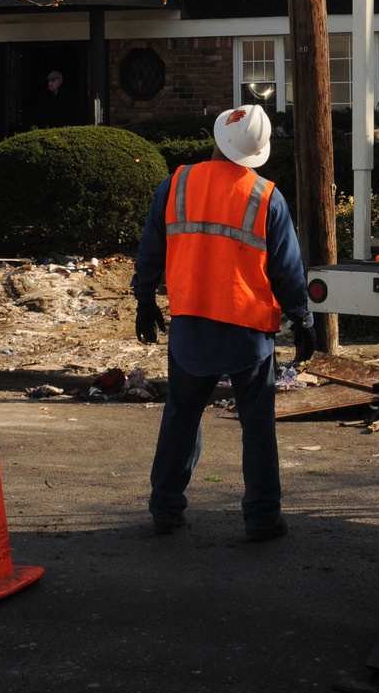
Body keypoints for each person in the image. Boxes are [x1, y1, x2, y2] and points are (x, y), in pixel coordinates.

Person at [132, 103, 315, 542]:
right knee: (256, 426)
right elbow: (287, 270)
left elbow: (151, 251)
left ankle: (165, 510)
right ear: (257, 152)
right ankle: (262, 518)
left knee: (181, 416)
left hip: (192, 322)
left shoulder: (177, 184)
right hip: (247, 328)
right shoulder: (266, 196)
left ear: (217, 139)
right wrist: (303, 320)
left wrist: (143, 299)